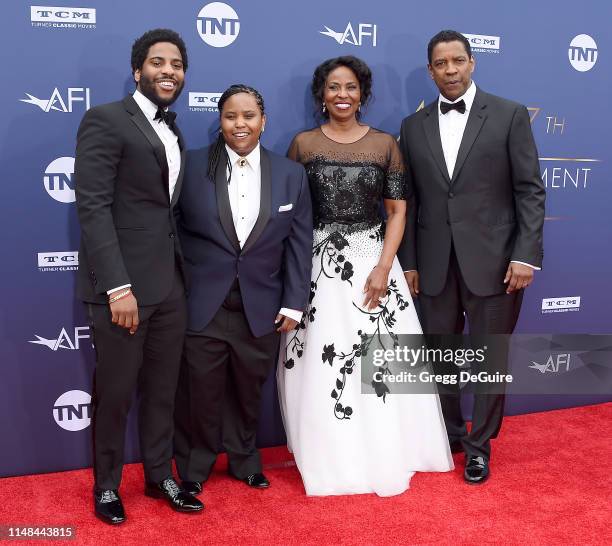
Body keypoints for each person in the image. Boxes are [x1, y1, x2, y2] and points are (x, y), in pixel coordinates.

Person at [277, 56, 453, 497]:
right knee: (321, 360)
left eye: (351, 87)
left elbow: (397, 212)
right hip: (318, 265)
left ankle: (386, 448)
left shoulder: (384, 145)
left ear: (362, 94)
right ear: (322, 94)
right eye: (334, 87)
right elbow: (293, 216)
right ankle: (328, 454)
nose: (342, 94)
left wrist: (381, 266)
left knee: (382, 361)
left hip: (374, 262)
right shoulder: (302, 145)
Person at [398, 30, 545, 484]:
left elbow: (529, 191)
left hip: (497, 263)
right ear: (430, 71)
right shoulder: (412, 125)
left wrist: (525, 255)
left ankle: (479, 447)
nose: (450, 71)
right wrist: (411, 262)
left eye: (457, 61)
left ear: (472, 63)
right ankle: (450, 434)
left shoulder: (508, 115)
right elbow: (412, 201)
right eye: (440, 64)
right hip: (436, 265)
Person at [74, 28, 203, 524]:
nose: (168, 71)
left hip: (170, 285)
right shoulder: (106, 120)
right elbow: (94, 208)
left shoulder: (173, 129)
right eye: (158, 62)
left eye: (176, 64)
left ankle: (157, 474)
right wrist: (117, 287)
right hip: (123, 289)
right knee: (116, 391)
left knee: (164, 389)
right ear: (137, 71)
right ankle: (106, 485)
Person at [173, 84, 313, 495]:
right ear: (220, 121)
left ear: (263, 121)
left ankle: (244, 459)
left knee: (250, 388)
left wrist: (294, 302)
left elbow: (299, 243)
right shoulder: (191, 165)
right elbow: (170, 233)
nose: (240, 124)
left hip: (263, 303)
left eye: (249, 116)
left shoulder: (291, 175)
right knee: (200, 390)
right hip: (203, 302)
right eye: (231, 116)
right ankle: (195, 465)